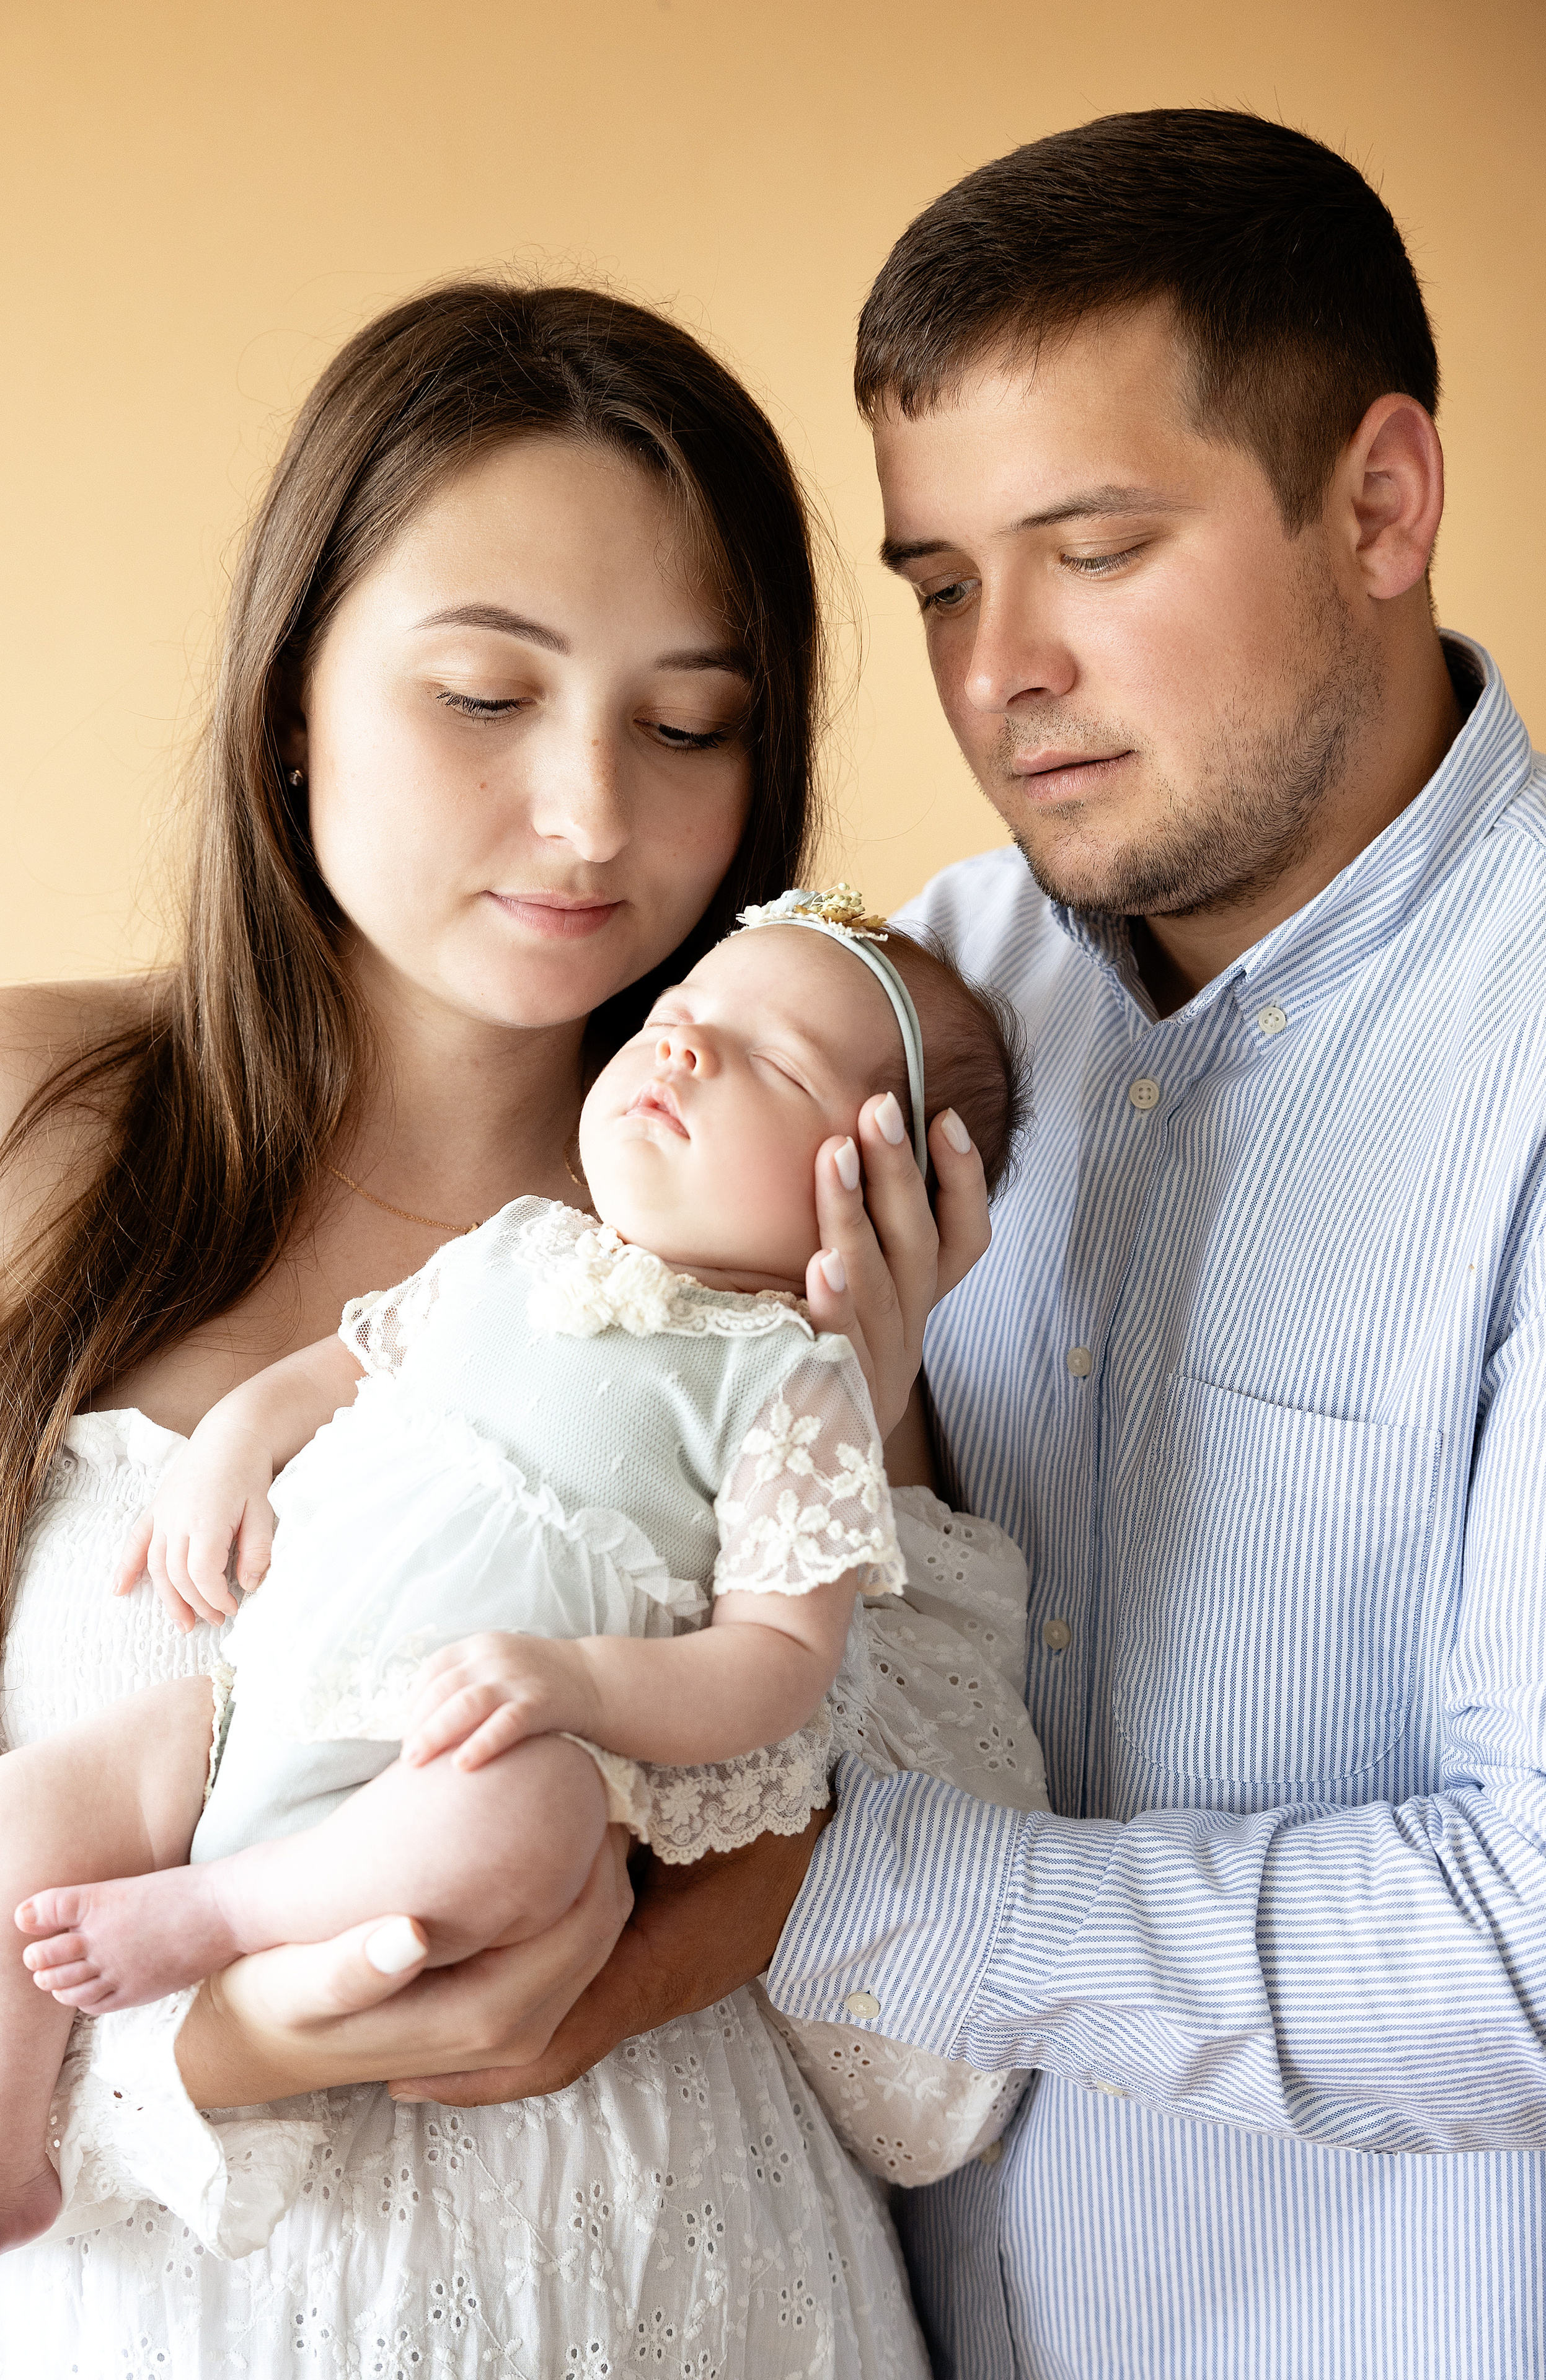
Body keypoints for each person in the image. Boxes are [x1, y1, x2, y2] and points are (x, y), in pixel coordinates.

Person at [0, 282, 1046, 2372]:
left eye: (686, 727)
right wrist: (221, 2053)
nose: (592, 817)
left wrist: (871, 1410)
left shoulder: (805, 1255)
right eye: (485, 693)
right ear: (293, 695)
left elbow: (937, 2085)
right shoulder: (44, 1135)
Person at [760, 109, 1546, 2377]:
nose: (996, 672)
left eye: (1094, 550)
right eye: (940, 584)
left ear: (1383, 503)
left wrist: (822, 1893)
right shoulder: (891, 1007)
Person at [1, 897, 1027, 2258]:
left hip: (460, 1762)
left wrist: (577, 1681)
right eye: (677, 1021)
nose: (681, 1056)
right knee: (39, 1803)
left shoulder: (789, 1389)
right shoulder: (517, 1247)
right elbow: (355, 1362)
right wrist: (238, 1441)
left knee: (533, 1822)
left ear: (875, 1186)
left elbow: (777, 1664)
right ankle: (15, 2128)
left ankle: (219, 1911)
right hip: (261, 1707)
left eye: (769, 1064)